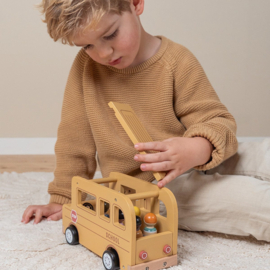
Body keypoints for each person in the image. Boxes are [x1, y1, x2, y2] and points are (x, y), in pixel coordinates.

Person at [21, 0, 269, 242]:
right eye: (87, 46)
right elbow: (74, 140)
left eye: (111, 35)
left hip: (197, 157)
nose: (103, 53)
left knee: (264, 152)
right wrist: (62, 198)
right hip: (150, 190)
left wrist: (195, 149)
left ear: (135, 4)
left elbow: (217, 120)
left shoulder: (177, 60)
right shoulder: (86, 70)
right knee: (252, 201)